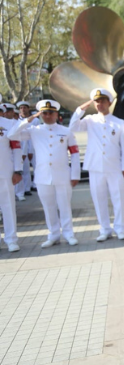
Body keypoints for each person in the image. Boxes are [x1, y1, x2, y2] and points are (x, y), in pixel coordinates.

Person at [10, 100, 81, 248]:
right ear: (40, 114)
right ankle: (53, 234)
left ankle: (69, 234)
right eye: (44, 113)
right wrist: (28, 120)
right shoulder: (34, 130)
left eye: (50, 113)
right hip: (43, 176)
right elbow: (12, 134)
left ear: (56, 114)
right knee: (48, 207)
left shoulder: (65, 131)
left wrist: (75, 175)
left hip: (62, 175)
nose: (47, 116)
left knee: (64, 206)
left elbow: (74, 154)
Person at [69, 88, 124, 241]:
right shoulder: (89, 120)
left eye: (102, 101)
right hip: (95, 166)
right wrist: (80, 109)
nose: (99, 104)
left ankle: (120, 228)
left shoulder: (119, 122)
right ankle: (104, 229)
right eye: (96, 101)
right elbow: (73, 127)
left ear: (109, 102)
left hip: (114, 166)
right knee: (98, 199)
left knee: (118, 199)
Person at [0, 102, 22, 252]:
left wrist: (18, 170)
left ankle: (11, 239)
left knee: (8, 206)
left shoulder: (9, 124)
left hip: (5, 171)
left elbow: (16, 148)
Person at [17, 101, 35, 196]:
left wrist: (30, 150)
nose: (23, 109)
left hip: (32, 146)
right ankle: (21, 190)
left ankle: (30, 187)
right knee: (23, 169)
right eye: (21, 108)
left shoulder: (34, 120)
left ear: (28, 109)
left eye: (25, 107)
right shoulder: (17, 120)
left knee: (31, 168)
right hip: (21, 147)